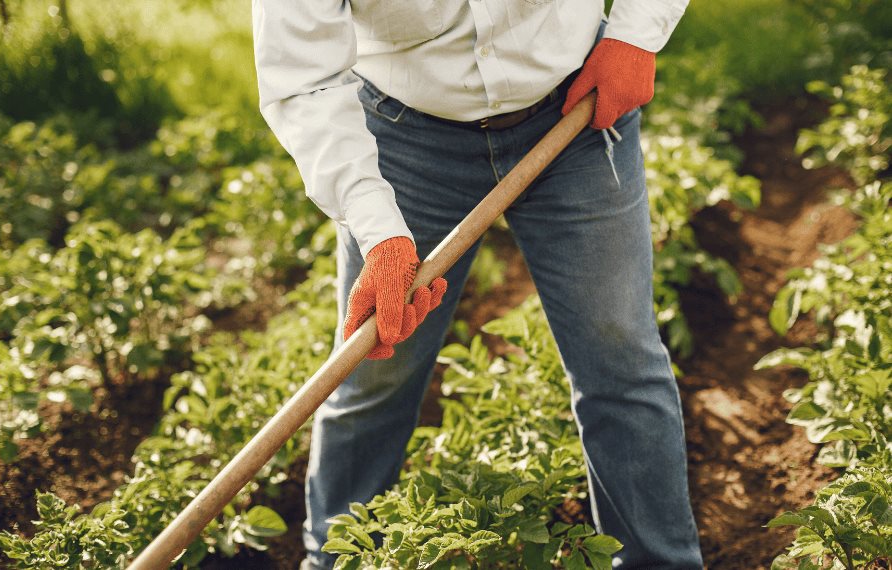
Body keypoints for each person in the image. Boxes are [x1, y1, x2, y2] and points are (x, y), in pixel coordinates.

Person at [252, 1, 703, 568]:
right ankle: (338, 561)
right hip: (404, 137)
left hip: (575, 108)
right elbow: (302, 78)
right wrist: (379, 229)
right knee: (376, 366)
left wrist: (638, 34)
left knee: (619, 360)